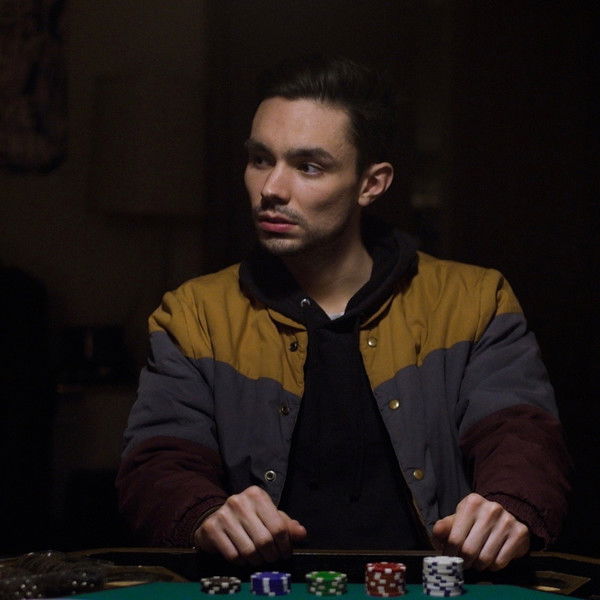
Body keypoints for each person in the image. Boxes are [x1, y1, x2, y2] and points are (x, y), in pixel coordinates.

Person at [116, 55, 571, 572]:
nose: (271, 189)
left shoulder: (474, 299)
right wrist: (202, 514)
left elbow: (522, 436)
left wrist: (510, 507)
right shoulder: (194, 314)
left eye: (308, 167)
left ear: (371, 184)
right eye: (260, 159)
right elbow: (156, 463)